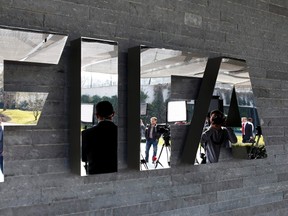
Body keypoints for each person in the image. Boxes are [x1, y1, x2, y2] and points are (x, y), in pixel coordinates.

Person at [82, 101, 117, 175]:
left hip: (95, 173)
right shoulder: (122, 132)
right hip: (116, 173)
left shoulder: (87, 133)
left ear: (97, 115)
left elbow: (84, 158)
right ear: (113, 114)